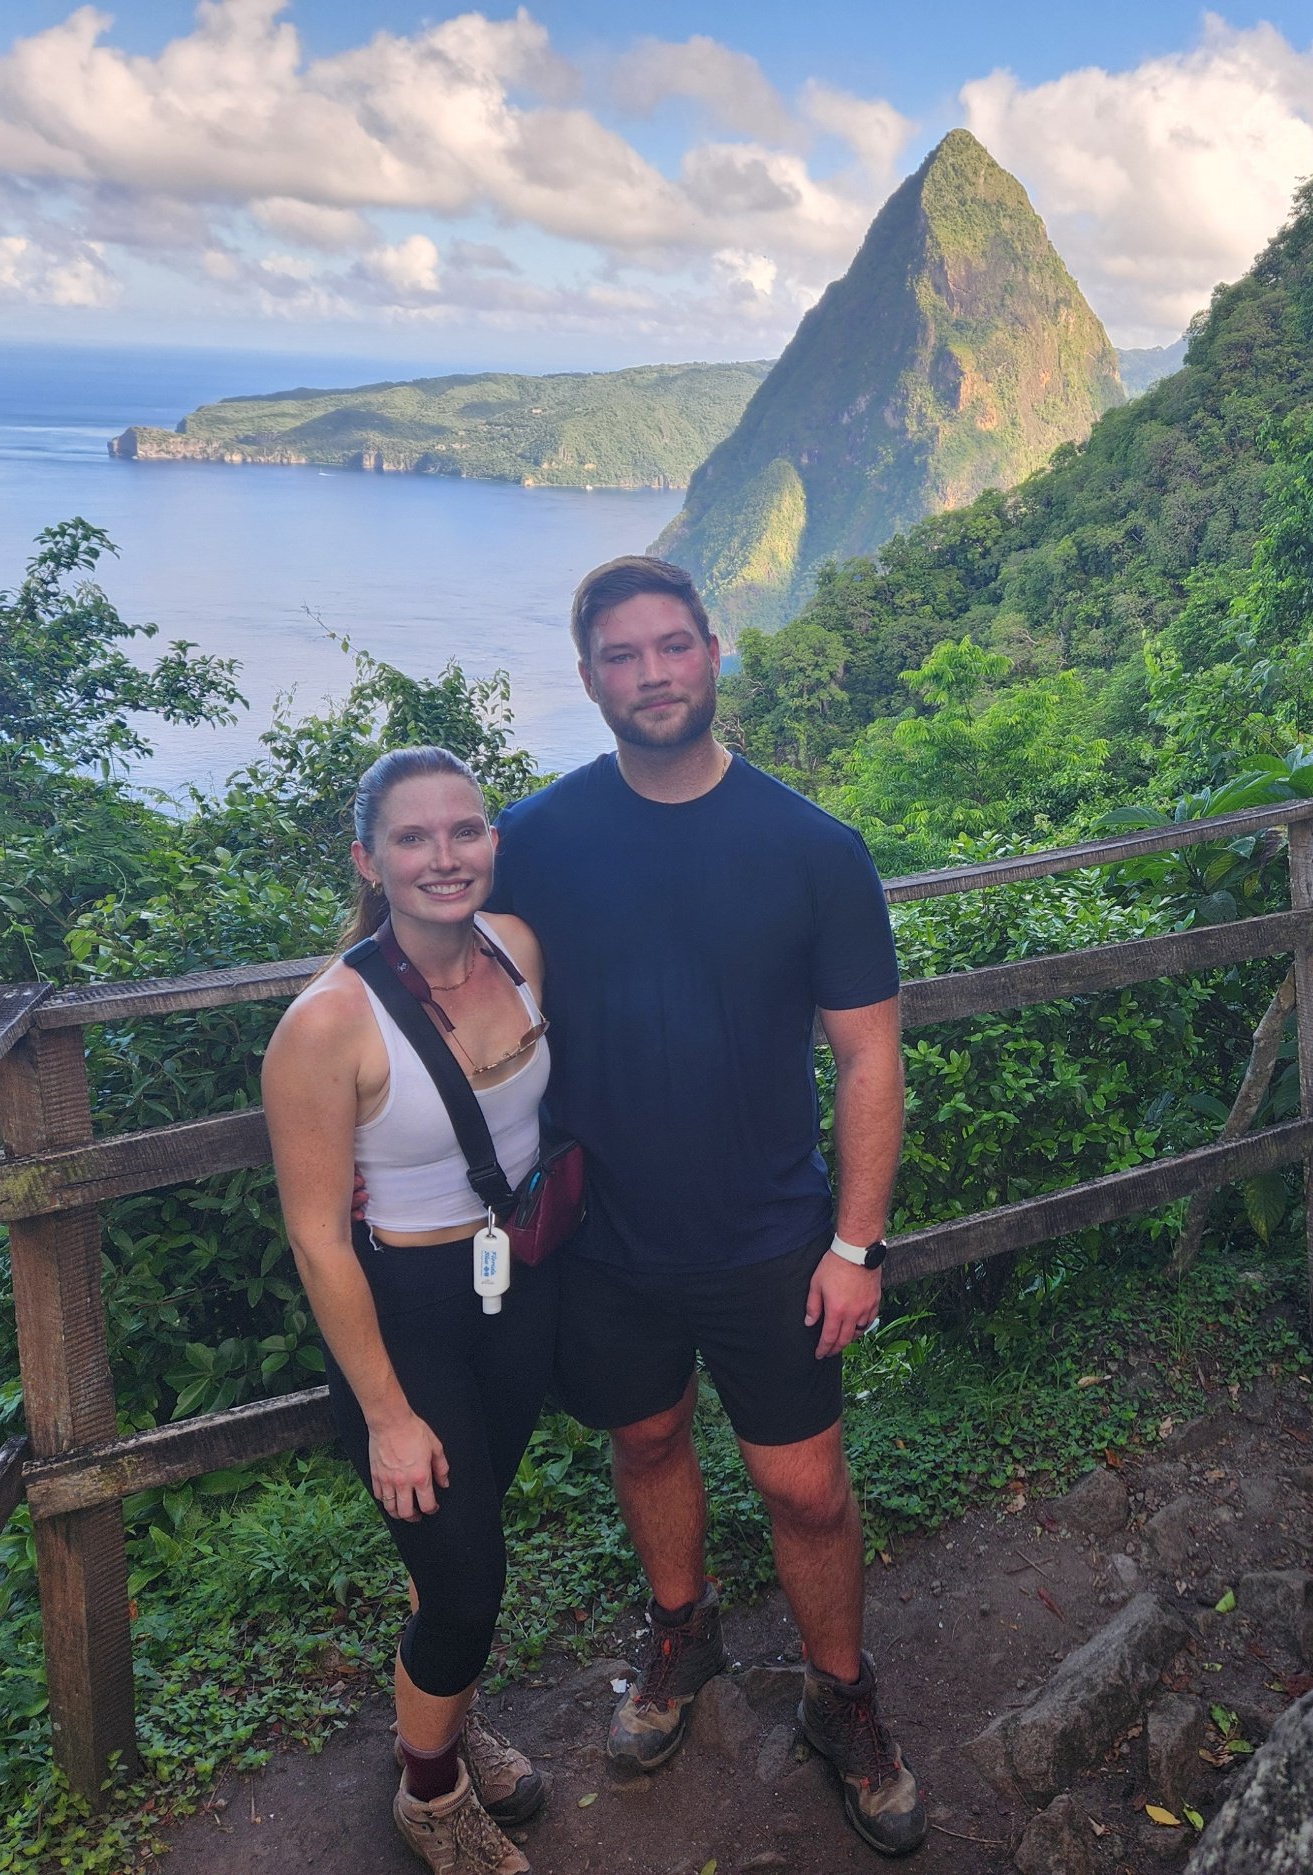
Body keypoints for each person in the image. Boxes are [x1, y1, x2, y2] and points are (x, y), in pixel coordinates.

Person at [490, 555, 926, 1856]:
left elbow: (869, 1056)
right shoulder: (536, 840)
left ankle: (842, 1695)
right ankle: (684, 1630)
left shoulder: (812, 848)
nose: (652, 673)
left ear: (714, 652)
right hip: (607, 1234)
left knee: (805, 1486)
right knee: (645, 1441)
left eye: (671, 646)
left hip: (768, 1236)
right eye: (621, 655)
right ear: (588, 677)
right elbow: (436, 986)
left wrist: (855, 1241)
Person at [264, 747, 559, 1875]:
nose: (446, 857)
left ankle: (440, 1711)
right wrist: (386, 1413)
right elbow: (316, 1235)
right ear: (368, 859)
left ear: (492, 841)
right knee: (468, 1576)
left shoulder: (519, 951)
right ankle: (428, 1796)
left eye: (466, 831)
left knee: (464, 1549)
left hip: (516, 1286)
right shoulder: (327, 1025)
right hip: (403, 1311)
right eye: (414, 837)